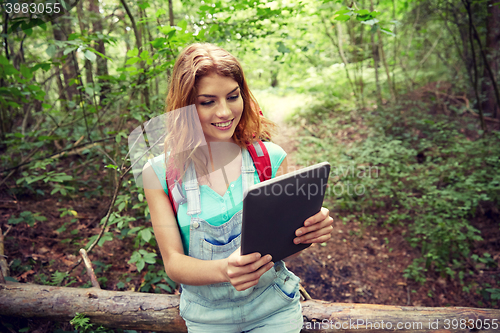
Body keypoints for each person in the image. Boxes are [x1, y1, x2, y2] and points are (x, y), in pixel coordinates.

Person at [142, 43, 333, 333]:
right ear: (185, 107)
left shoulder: (269, 158)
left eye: (233, 97)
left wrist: (309, 231)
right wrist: (223, 270)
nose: (224, 112)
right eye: (207, 102)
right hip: (207, 318)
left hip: (274, 308)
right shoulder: (159, 174)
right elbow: (174, 263)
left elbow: (279, 245)